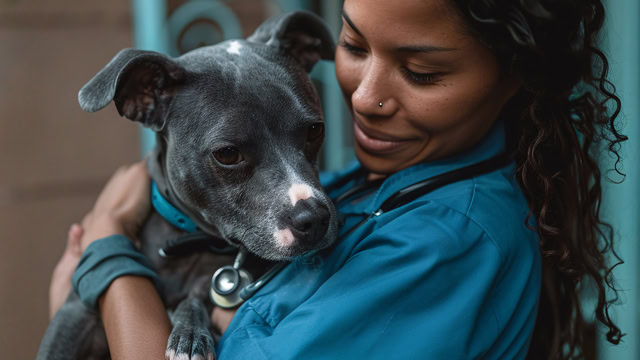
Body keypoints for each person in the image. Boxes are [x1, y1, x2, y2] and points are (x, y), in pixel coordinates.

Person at [49, 0, 625, 358]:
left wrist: (105, 246)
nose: (366, 99)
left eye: (421, 73)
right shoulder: (370, 182)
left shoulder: (444, 243)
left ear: (512, 78)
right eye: (352, 45)